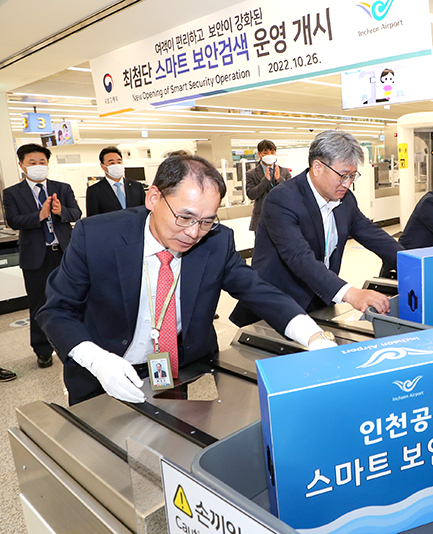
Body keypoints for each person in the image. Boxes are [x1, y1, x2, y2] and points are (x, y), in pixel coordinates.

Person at [37, 154, 335, 406]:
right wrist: (96, 359)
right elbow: (56, 309)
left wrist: (312, 335)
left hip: (174, 367)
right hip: (103, 369)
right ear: (153, 198)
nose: (194, 232)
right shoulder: (98, 236)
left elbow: (258, 290)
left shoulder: (216, 241)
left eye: (207, 221)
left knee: (170, 443)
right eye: (185, 217)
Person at [230, 130, 402, 325]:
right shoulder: (282, 199)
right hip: (273, 308)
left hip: (317, 302)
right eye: (343, 175)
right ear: (318, 167)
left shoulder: (345, 200)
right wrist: (351, 294)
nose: (348, 184)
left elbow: (375, 237)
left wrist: (416, 266)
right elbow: (299, 257)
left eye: (353, 176)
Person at [2, 144, 82, 368]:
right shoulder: (12, 193)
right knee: (39, 303)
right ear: (21, 165)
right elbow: (14, 221)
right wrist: (40, 215)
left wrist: (60, 212)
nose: (38, 167)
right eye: (32, 163)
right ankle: (42, 349)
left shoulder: (62, 188)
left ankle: (75, 344)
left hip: (65, 254)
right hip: (36, 256)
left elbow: (76, 212)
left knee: (73, 299)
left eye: (42, 162)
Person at [246, 139, 292, 232]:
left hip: (282, 217)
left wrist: (279, 179)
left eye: (272, 152)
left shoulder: (284, 171)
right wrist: (265, 181)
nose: (269, 154)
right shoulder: (251, 174)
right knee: (263, 245)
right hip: (261, 218)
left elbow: (291, 193)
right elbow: (251, 194)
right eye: (266, 152)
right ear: (260, 154)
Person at [86, 146, 146, 216]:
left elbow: (145, 211)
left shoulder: (136, 186)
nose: (117, 165)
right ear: (102, 166)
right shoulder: (94, 191)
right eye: (112, 163)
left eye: (119, 162)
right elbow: (92, 219)